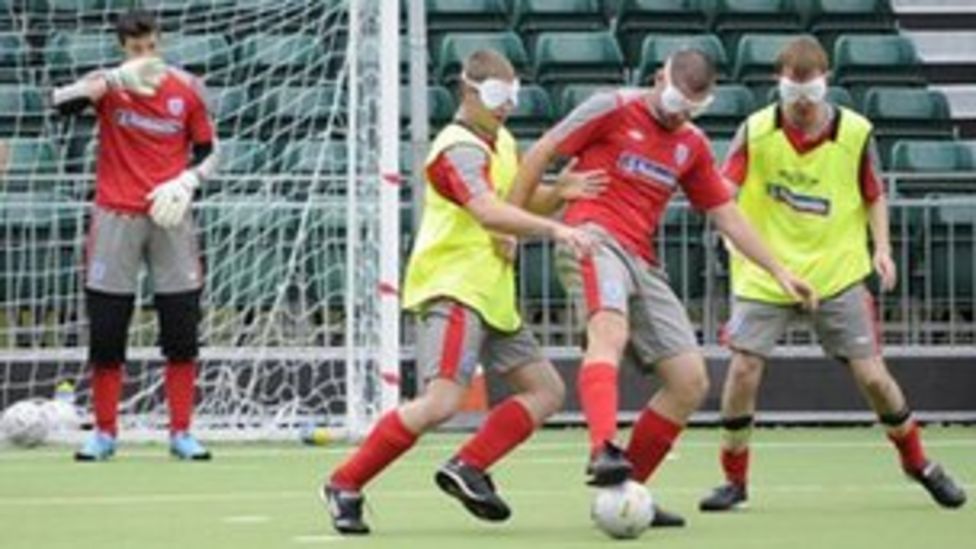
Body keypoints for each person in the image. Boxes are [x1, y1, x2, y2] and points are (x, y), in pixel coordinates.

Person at [510, 49, 817, 527]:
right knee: (608, 332)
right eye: (674, 98)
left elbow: (727, 214)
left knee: (690, 380)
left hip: (643, 259)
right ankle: (602, 449)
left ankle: (630, 494)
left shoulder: (691, 144)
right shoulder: (610, 106)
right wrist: (513, 225)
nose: (679, 111)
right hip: (592, 237)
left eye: (692, 106)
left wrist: (779, 271)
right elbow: (541, 151)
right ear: (657, 78)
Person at [321, 49, 598, 535]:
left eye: (512, 95)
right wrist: (555, 230)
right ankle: (344, 482)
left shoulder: (502, 141)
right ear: (467, 91)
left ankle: (468, 466)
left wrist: (559, 191)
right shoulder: (456, 148)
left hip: (492, 292)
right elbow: (490, 212)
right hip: (453, 286)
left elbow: (516, 202)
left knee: (547, 391)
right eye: (495, 95)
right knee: (441, 402)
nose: (506, 105)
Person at [698, 36, 966, 512]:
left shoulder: (857, 132)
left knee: (875, 379)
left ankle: (918, 462)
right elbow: (725, 189)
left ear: (828, 85)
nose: (802, 106)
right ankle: (733, 480)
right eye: (792, 95)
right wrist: (727, 227)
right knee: (742, 371)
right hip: (768, 272)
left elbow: (874, 194)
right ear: (778, 87)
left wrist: (882, 249)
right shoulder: (756, 130)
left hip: (838, 270)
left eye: (812, 95)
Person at [50, 10, 218, 461]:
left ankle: (181, 432)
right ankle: (105, 434)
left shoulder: (186, 89)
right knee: (108, 327)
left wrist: (188, 182)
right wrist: (109, 82)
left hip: (170, 216)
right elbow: (58, 103)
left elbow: (208, 152)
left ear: (159, 43)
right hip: (114, 217)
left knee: (180, 325)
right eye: (135, 49)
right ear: (123, 49)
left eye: (150, 47)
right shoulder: (108, 84)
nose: (144, 56)